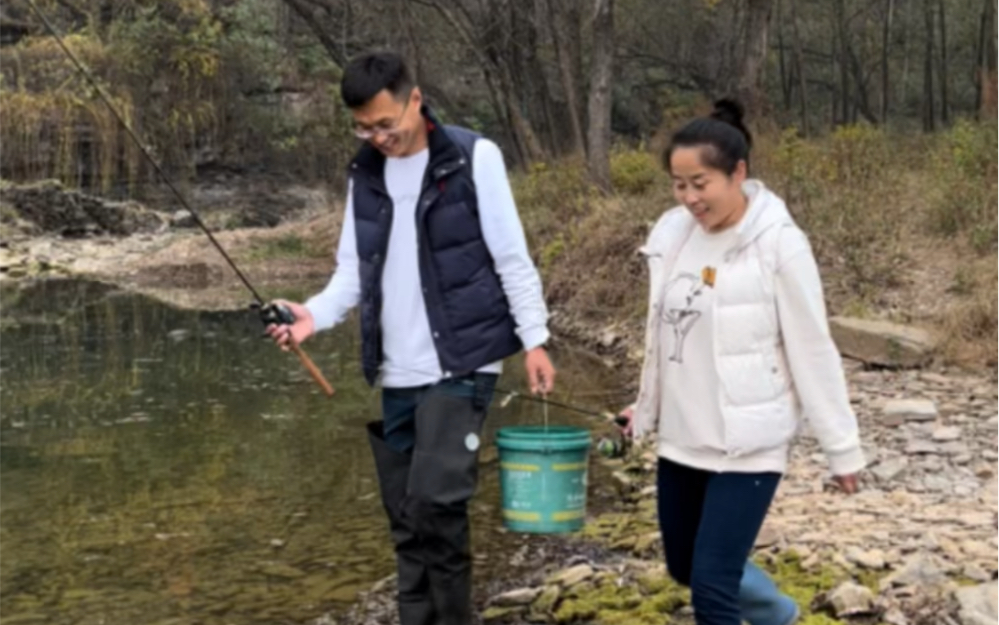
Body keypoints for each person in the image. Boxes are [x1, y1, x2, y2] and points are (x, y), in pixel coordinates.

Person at [266, 50, 555, 625]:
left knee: (436, 506)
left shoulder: (475, 156)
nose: (375, 137)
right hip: (395, 370)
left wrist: (535, 339)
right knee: (406, 519)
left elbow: (511, 257)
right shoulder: (365, 173)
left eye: (384, 123)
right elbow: (351, 272)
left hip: (462, 363)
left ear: (414, 100)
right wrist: (311, 316)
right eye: (362, 126)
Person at [615, 99, 866, 625]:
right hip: (682, 439)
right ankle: (778, 614)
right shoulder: (672, 235)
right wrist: (644, 408)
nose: (689, 198)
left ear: (739, 174)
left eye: (700, 183)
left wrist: (842, 449)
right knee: (684, 566)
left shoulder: (779, 244)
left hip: (748, 445)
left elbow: (813, 349)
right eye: (679, 184)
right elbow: (666, 340)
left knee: (712, 585)